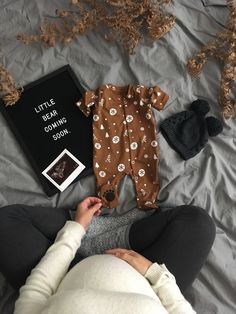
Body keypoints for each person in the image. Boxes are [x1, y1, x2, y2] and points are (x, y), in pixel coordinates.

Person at [0, 197, 216, 314]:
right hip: (143, 272)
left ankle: (93, 234)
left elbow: (38, 290)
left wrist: (75, 231)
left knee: (6, 221)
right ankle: (111, 234)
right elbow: (178, 308)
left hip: (64, 274)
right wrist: (154, 273)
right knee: (197, 223)